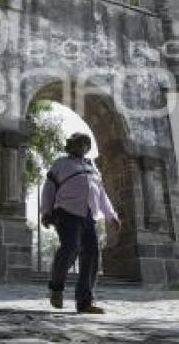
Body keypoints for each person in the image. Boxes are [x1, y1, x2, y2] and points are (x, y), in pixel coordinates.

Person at [40, 132, 121, 314]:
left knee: (92, 255)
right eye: (79, 143)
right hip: (66, 212)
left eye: (86, 144)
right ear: (71, 145)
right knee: (71, 247)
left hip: (88, 215)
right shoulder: (61, 163)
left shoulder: (92, 168)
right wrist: (46, 211)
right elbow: (49, 188)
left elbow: (101, 195)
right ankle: (56, 287)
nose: (83, 147)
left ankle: (84, 301)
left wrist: (111, 216)